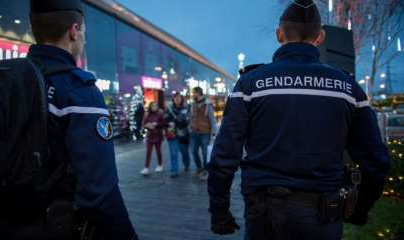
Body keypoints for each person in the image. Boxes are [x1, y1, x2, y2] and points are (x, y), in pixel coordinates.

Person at [207, 0, 391, 239]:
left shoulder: (250, 84)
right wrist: (360, 209)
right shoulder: (347, 87)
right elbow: (376, 161)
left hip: (264, 213)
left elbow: (224, 155)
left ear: (279, 34)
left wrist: (219, 211)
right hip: (323, 215)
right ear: (321, 37)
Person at [0, 0, 138, 239]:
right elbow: (99, 193)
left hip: (7, 226)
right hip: (57, 227)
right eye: (83, 33)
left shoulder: (9, 81)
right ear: (74, 31)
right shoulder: (79, 91)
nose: (84, 40)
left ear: (33, 27)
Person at [189, 87, 217, 181]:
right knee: (193, 151)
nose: (193, 95)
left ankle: (206, 170)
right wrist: (190, 126)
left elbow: (213, 120)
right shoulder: (192, 104)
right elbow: (191, 117)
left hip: (205, 132)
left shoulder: (207, 105)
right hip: (194, 133)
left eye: (194, 93)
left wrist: (213, 133)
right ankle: (199, 168)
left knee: (205, 153)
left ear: (199, 93)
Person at [165, 93, 191, 178]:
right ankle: (174, 171)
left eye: (179, 97)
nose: (177, 99)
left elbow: (187, 121)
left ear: (181, 99)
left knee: (185, 153)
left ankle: (186, 164)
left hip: (183, 135)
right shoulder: (169, 109)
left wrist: (175, 122)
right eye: (175, 98)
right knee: (173, 153)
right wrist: (168, 123)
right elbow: (165, 120)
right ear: (173, 99)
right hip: (172, 134)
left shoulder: (186, 108)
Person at [141, 102, 165, 176]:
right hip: (150, 135)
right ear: (150, 107)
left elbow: (163, 123)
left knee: (158, 151)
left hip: (158, 135)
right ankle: (146, 167)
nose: (154, 107)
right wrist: (147, 125)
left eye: (156, 105)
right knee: (148, 152)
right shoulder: (147, 114)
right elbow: (143, 124)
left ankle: (160, 165)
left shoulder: (160, 114)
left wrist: (156, 124)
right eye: (153, 106)